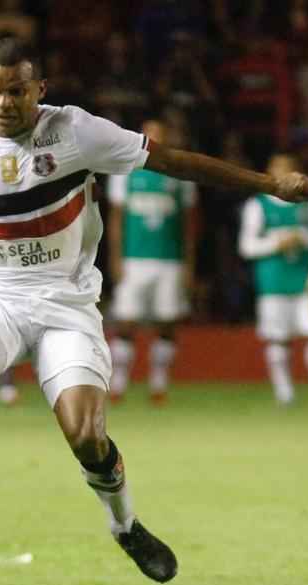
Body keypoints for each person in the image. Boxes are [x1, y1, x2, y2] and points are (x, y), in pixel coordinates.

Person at [0, 37, 308, 583]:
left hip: (66, 306)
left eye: (16, 91)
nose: (2, 102)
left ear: (39, 91)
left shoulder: (76, 133)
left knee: (86, 434)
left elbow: (171, 161)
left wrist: (269, 185)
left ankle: (126, 525)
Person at [107, 118, 198, 404]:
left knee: (167, 322)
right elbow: (116, 219)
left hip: (170, 260)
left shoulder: (179, 174)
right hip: (134, 259)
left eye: (161, 134)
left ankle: (159, 384)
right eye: (150, 135)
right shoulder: (125, 171)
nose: (155, 140)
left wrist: (188, 264)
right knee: (125, 322)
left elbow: (189, 225)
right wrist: (115, 259)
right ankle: (118, 384)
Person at [240, 151, 308, 406]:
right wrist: (276, 243)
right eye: (278, 168)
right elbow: (247, 246)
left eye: (289, 168)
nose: (284, 174)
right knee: (278, 340)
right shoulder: (257, 205)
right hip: (273, 283)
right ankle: (284, 395)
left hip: (307, 280)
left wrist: (302, 239)